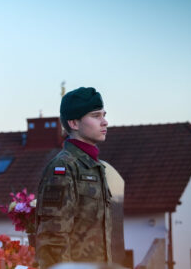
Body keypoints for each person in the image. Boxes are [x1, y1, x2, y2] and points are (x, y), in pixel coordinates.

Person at [35, 86, 112, 268]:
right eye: (96, 116)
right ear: (74, 123)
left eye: (104, 115)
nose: (105, 122)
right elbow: (53, 239)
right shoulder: (64, 167)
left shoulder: (94, 167)